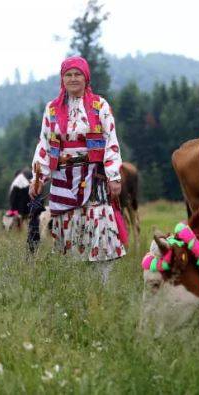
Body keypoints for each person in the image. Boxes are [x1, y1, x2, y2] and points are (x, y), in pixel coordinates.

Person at [30, 56, 126, 282]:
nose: (73, 79)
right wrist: (38, 178)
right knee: (68, 229)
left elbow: (110, 140)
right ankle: (75, 284)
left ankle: (102, 285)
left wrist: (114, 175)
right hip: (63, 179)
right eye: (68, 75)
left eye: (77, 74)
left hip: (94, 176)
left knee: (99, 227)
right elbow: (44, 144)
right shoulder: (52, 109)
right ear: (62, 79)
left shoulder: (99, 106)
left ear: (86, 77)